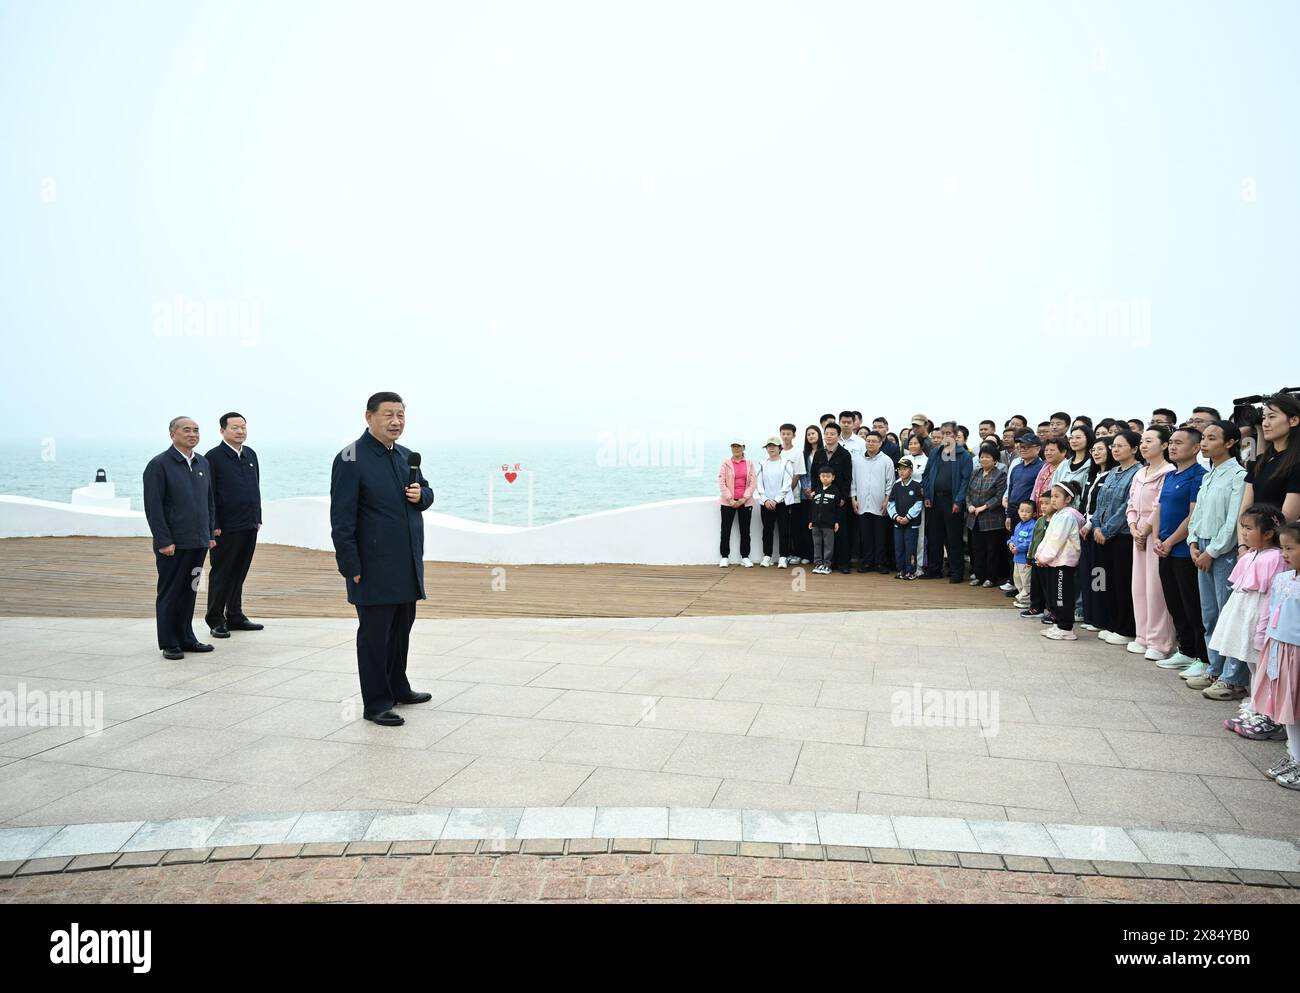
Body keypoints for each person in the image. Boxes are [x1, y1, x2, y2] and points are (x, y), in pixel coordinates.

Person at [330, 391, 436, 727]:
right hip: (371, 567)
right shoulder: (350, 458)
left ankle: (398, 687)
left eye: (401, 415)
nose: (396, 422)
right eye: (388, 414)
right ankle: (375, 703)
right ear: (369, 417)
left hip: (406, 565)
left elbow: (427, 493)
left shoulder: (406, 456)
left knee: (402, 629)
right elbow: (341, 518)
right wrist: (350, 565)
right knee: (375, 636)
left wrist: (422, 495)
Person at [143, 416, 217, 660]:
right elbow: (153, 507)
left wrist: (209, 533)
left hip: (198, 542)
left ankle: (187, 637)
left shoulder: (202, 463)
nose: (192, 434)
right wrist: (164, 541)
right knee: (170, 593)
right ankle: (169, 642)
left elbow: (209, 502)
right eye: (186, 430)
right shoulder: (159, 465)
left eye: (196, 430)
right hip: (173, 544)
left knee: (190, 592)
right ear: (172, 434)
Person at [1183, 421, 1248, 695]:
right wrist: (1193, 541)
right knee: (1209, 614)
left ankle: (1233, 678)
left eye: (1212, 438)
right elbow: (1197, 514)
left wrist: (1213, 550)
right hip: (1203, 547)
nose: (1205, 443)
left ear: (1230, 442)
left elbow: (1235, 519)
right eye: (1204, 438)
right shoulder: (1209, 475)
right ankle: (1215, 669)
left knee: (1227, 614)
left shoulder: (1239, 475)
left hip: (1225, 551)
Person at [1215, 505, 1287, 739]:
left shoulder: (1275, 558)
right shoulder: (1250, 555)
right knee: (1252, 663)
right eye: (1243, 527)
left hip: (1259, 614)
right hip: (1244, 610)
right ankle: (1257, 704)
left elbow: (1272, 595)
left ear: (1268, 533)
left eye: (1249, 528)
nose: (1244, 533)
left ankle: (1266, 711)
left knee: (1264, 665)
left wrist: (1264, 628)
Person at [1152, 426, 1209, 671]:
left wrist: (1171, 540)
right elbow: (1160, 509)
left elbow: (1193, 515)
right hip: (1163, 548)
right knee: (1174, 603)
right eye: (1171, 442)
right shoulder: (1170, 475)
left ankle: (1201, 656)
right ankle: (1184, 650)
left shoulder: (1199, 475)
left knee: (1192, 605)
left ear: (1196, 447)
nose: (1173, 446)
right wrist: (1156, 537)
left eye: (1179, 443)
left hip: (1183, 551)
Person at [203, 412, 264, 638]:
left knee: (239, 571)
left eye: (243, 427)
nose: (240, 432)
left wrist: (257, 517)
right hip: (225, 527)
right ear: (222, 431)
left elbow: (255, 487)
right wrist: (214, 524)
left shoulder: (250, 455)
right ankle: (216, 619)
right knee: (222, 573)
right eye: (235, 428)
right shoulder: (213, 457)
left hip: (249, 523)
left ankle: (235, 615)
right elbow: (209, 494)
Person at [1251, 521, 1300, 789]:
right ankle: (1294, 756)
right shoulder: (1282, 579)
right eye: (1282, 548)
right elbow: (1271, 611)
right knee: (1286, 708)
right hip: (1279, 650)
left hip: (1297, 652)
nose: (1284, 554)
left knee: (1296, 707)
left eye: (1290, 548)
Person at [1127, 426, 1177, 661]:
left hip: (1155, 535)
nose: (1144, 445)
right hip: (1137, 535)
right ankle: (1143, 636)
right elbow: (1131, 504)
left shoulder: (1168, 471)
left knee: (1156, 589)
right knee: (1139, 587)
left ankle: (1161, 641)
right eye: (1143, 441)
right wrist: (1133, 527)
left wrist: (1145, 529)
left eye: (1150, 441)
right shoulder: (1140, 473)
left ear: (1165, 445)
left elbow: (1159, 506)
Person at [1091, 430, 1142, 646]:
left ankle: (1126, 628)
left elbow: (1126, 507)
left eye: (1121, 445)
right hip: (1102, 534)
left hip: (1121, 536)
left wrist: (1106, 530)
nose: (1116, 449)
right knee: (1106, 581)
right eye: (1114, 446)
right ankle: (1112, 623)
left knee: (1123, 583)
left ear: (1134, 449)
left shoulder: (1137, 473)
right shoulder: (1112, 472)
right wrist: (1096, 526)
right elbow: (1100, 502)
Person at [921, 422, 973, 583]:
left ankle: (956, 572)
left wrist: (958, 501)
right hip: (935, 500)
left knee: (954, 539)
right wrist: (927, 496)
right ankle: (934, 570)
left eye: (948, 433)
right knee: (934, 537)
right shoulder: (936, 452)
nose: (945, 436)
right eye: (942, 433)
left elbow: (966, 480)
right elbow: (927, 475)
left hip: (952, 501)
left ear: (955, 435)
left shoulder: (963, 455)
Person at [1036, 480, 1086, 641]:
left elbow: (1057, 540)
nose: (1053, 500)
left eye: (1057, 496)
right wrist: (1039, 554)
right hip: (1053, 561)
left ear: (1068, 499)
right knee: (1054, 595)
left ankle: (1066, 628)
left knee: (1061, 596)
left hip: (1064, 563)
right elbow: (1048, 538)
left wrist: (1044, 557)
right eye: (1052, 496)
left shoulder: (1067, 516)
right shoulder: (1058, 515)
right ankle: (1058, 624)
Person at [1240, 394, 1300, 525]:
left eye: (1272, 417)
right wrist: (1243, 545)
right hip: (1252, 541)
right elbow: (1244, 510)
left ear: (1294, 420)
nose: (1265, 423)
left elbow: (1287, 518)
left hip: (1279, 542)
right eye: (1264, 418)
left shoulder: (1296, 463)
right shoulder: (1259, 461)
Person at [1077, 437, 1116, 633]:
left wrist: (1091, 524)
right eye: (1094, 450)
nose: (1096, 453)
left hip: (1098, 531)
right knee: (1088, 574)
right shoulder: (1092, 475)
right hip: (1085, 531)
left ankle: (1100, 617)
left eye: (1101, 449)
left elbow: (1103, 507)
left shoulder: (1112, 475)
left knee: (1099, 576)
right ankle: (1089, 614)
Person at [1000, 432, 1044, 594]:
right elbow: (1011, 489)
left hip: (1030, 513)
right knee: (1012, 546)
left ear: (1038, 448)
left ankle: (1028, 588)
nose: (1023, 449)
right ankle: (1015, 583)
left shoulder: (1041, 467)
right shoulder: (1017, 466)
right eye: (1021, 446)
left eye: (1027, 446)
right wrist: (1008, 514)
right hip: (1013, 511)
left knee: (1027, 548)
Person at [852, 431, 896, 573]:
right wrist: (853, 498)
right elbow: (853, 482)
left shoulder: (886, 461)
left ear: (880, 443)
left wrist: (887, 499)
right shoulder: (857, 460)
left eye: (874, 441)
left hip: (880, 504)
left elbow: (891, 483)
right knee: (865, 535)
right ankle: (867, 562)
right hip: (862, 503)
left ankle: (880, 563)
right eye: (868, 441)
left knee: (880, 535)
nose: (870, 443)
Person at [812, 423, 853, 573]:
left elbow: (848, 478)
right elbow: (813, 474)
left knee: (839, 531)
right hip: (821, 498)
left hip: (838, 498)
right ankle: (823, 562)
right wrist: (814, 491)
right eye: (826, 433)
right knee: (821, 532)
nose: (829, 436)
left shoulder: (845, 454)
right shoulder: (819, 453)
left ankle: (843, 563)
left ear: (838, 435)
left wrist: (843, 496)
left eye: (832, 434)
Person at [966, 444, 1008, 588]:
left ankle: (991, 577)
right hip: (974, 518)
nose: (984, 459)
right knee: (977, 549)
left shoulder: (1000, 474)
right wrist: (970, 505)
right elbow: (968, 492)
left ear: (995, 459)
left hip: (992, 518)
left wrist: (984, 507)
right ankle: (979, 575)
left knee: (992, 550)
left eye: (987, 457)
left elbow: (999, 496)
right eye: (982, 457)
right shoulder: (975, 472)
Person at [754, 437, 793, 568]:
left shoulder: (786, 463)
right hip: (765, 503)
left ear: (780, 448)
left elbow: (787, 484)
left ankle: (783, 557)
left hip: (782, 503)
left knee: (784, 530)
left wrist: (776, 500)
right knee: (767, 530)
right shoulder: (761, 463)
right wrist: (765, 499)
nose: (771, 448)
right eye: (768, 446)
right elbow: (758, 483)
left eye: (774, 446)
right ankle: (767, 556)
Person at [717, 439, 757, 567]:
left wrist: (744, 498)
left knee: (745, 531)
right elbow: (722, 482)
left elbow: (753, 482)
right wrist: (730, 499)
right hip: (728, 502)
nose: (736, 449)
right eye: (734, 446)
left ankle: (745, 557)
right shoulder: (726, 463)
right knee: (725, 530)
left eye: (738, 446)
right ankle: (724, 557)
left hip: (745, 502)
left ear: (743, 448)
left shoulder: (749, 463)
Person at [889, 457, 924, 579]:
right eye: (900, 469)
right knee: (899, 547)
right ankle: (901, 570)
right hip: (898, 523)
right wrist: (896, 517)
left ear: (911, 471)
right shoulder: (896, 486)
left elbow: (919, 504)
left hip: (911, 523)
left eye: (905, 469)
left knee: (910, 547)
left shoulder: (916, 486)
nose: (901, 471)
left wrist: (908, 517)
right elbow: (891, 503)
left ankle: (911, 571)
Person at [795, 424, 824, 564]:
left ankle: (817, 555)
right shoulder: (803, 454)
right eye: (808, 434)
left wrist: (815, 490)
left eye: (813, 433)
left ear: (819, 434)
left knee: (819, 526)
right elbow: (802, 473)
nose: (811, 436)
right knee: (805, 525)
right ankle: (806, 554)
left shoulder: (824, 452)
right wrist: (806, 489)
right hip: (805, 494)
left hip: (819, 493)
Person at [779, 424, 805, 563]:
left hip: (793, 496)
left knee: (795, 526)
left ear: (794, 436)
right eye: (783, 433)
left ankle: (797, 553)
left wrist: (787, 492)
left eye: (788, 434)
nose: (786, 436)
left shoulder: (797, 452)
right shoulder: (778, 451)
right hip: (779, 498)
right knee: (784, 527)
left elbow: (798, 475)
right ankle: (786, 554)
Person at [808, 468, 840, 575]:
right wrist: (811, 520)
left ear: (833, 477)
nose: (825, 478)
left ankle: (827, 565)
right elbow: (813, 507)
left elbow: (837, 508)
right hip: (816, 523)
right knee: (817, 543)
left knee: (828, 545)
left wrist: (836, 521)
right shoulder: (817, 490)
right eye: (823, 476)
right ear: (820, 477)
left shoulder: (835, 490)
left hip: (828, 524)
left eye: (828, 476)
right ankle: (818, 564)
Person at [1007, 500, 1037, 608]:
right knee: (1017, 578)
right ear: (1018, 511)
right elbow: (1013, 537)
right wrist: (1010, 543)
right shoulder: (1019, 525)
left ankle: (1027, 601)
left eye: (1028, 512)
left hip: (1025, 559)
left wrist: (1018, 548)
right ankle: (1021, 597)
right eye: (1022, 511)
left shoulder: (1033, 525)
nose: (1024, 514)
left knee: (1026, 580)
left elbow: (1029, 542)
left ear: (1034, 514)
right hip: (1016, 558)